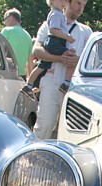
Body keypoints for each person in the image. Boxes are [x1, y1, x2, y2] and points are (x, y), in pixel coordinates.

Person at [32, 0, 91, 140]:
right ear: (67, 2)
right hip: (51, 80)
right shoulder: (49, 23)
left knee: (72, 131)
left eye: (83, 5)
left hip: (73, 85)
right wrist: (59, 58)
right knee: (44, 126)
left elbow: (92, 58)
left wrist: (77, 60)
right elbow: (36, 50)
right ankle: (35, 159)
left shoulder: (86, 31)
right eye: (78, 3)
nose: (80, 8)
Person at [24, 0, 76, 99]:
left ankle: (28, 85)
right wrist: (67, 37)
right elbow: (53, 30)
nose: (63, 3)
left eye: (65, 1)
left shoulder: (57, 14)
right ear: (51, 2)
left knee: (41, 66)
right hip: (56, 41)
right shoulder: (56, 14)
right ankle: (66, 82)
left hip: (53, 42)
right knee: (71, 55)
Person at [1, 8, 34, 79]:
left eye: (5, 19)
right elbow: (30, 61)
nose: (4, 22)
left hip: (7, 72)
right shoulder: (28, 35)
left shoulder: (6, 30)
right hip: (22, 76)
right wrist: (31, 81)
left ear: (11, 17)